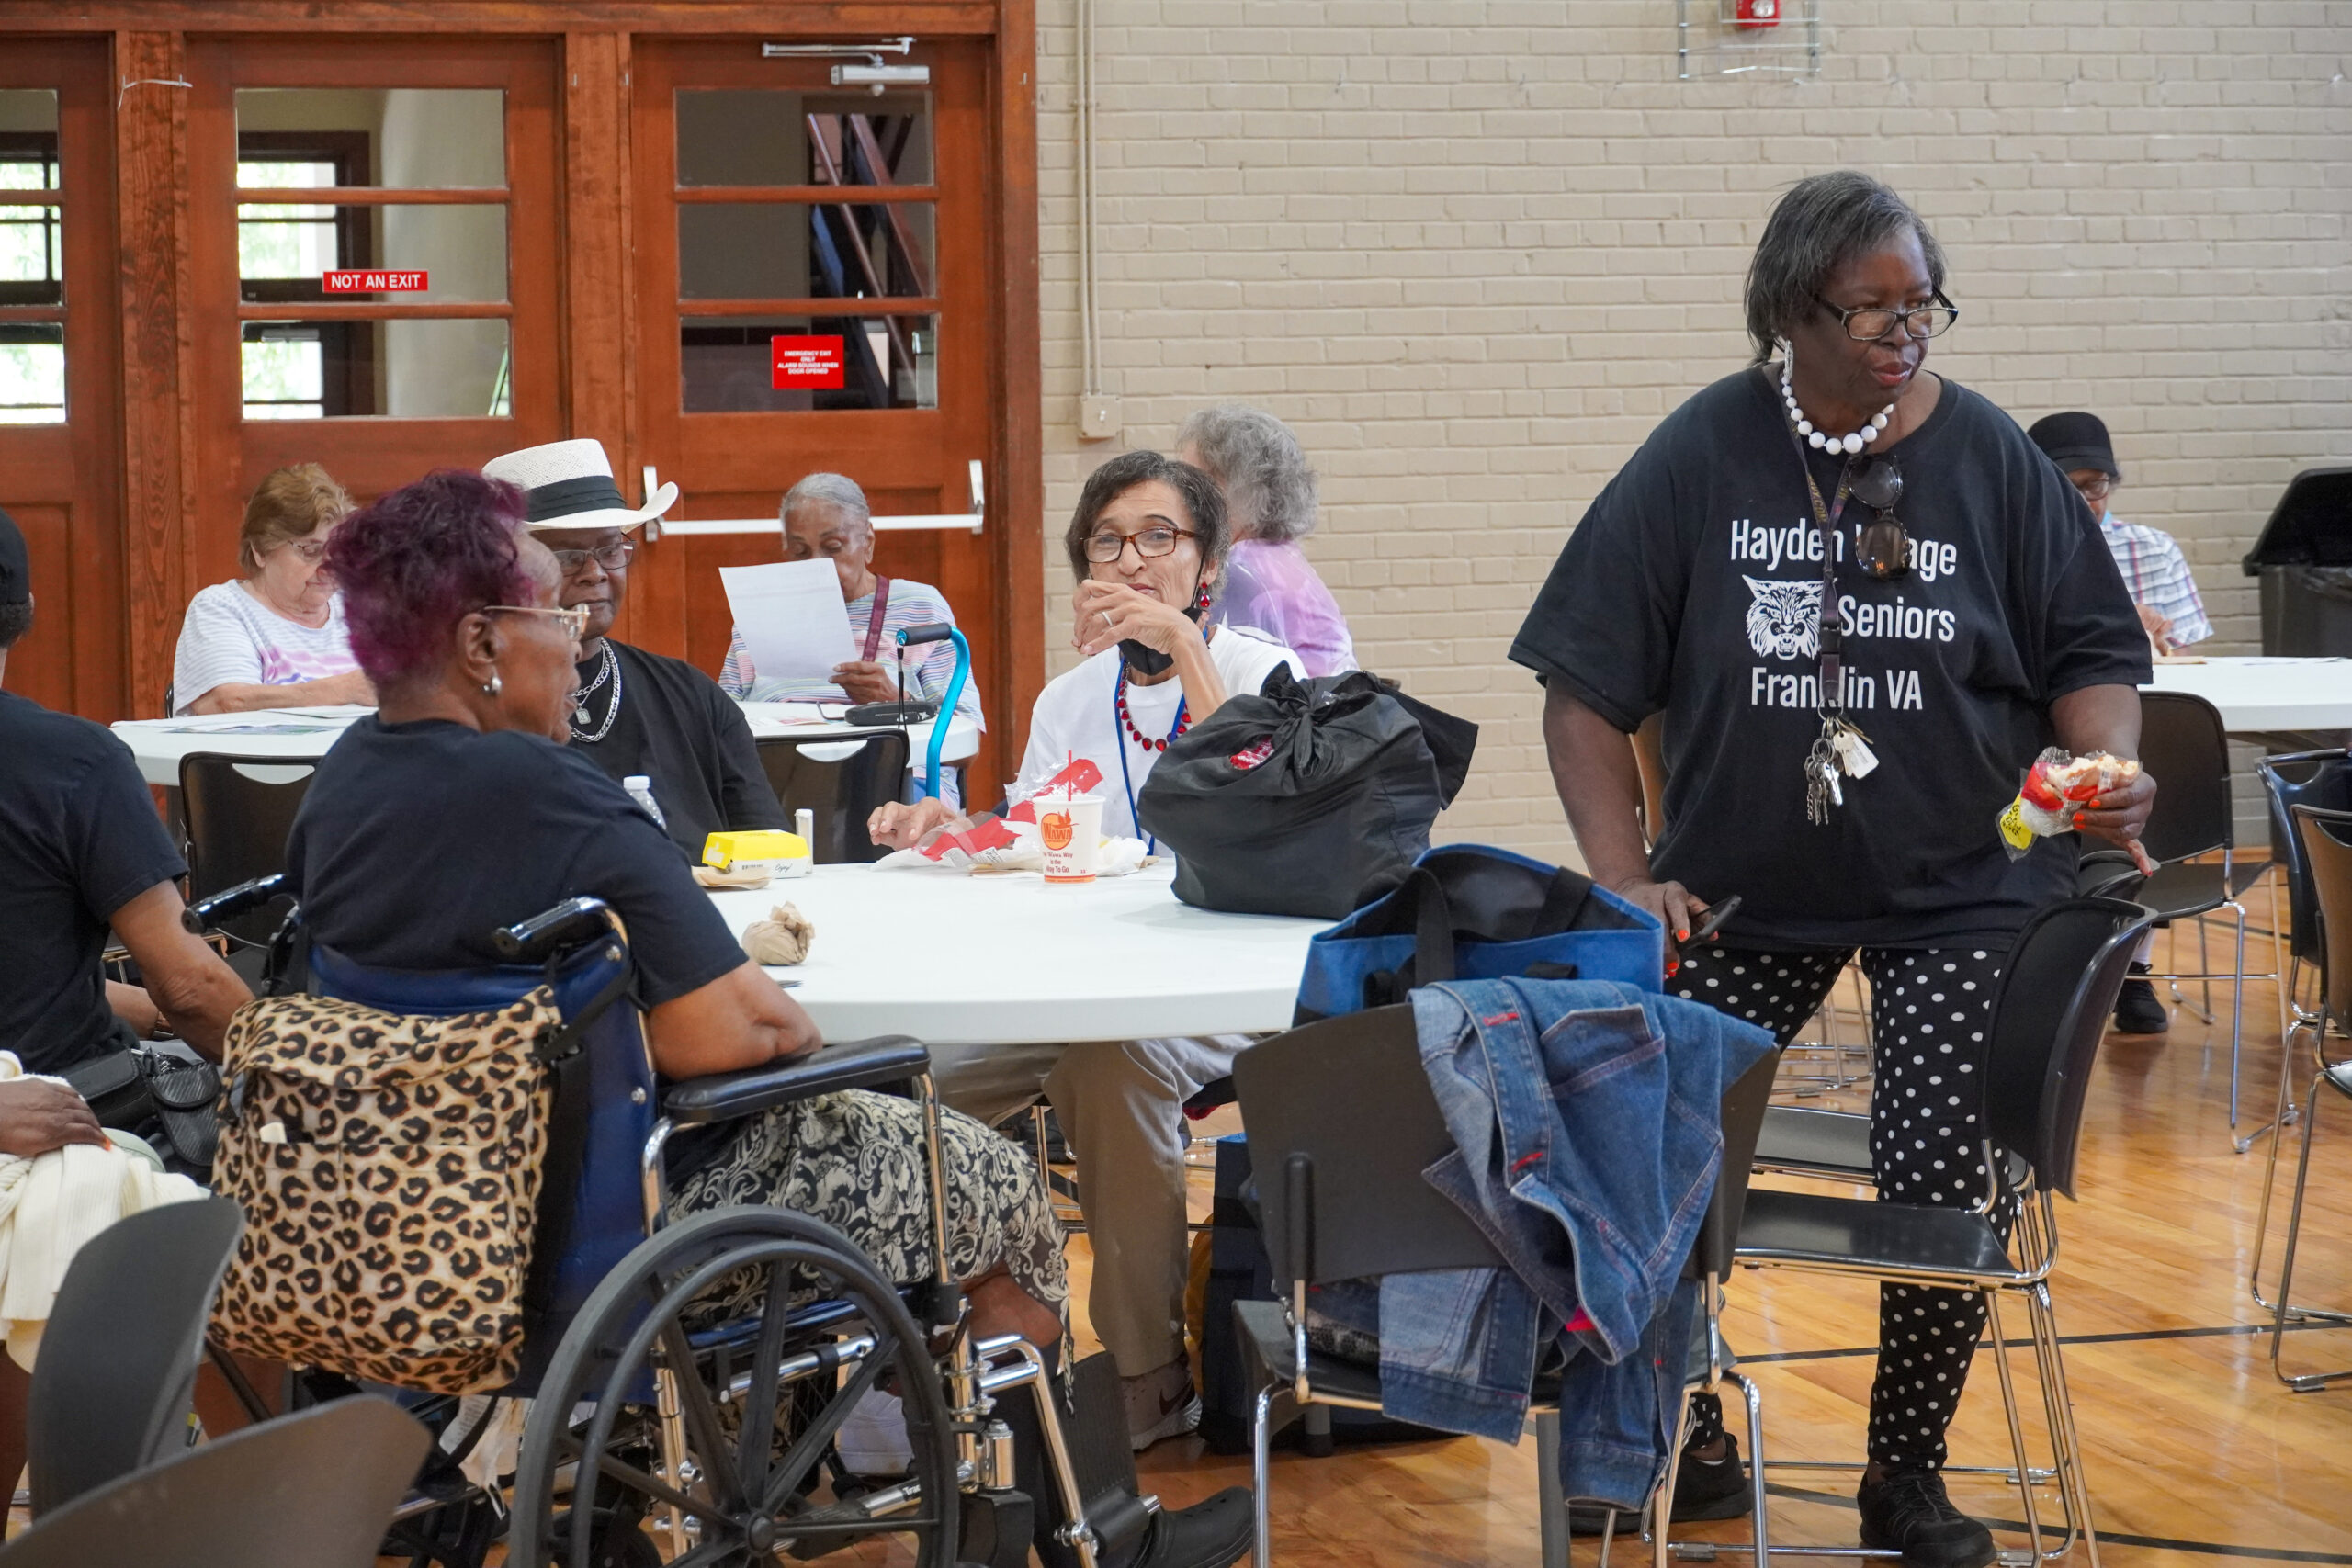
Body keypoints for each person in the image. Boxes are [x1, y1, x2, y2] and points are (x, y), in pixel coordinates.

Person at [295, 469, 1247, 1568]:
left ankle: (818, 1453)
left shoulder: (340, 793)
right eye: (554, 615)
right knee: (998, 1187)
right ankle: (1096, 1535)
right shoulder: (561, 800)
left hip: (431, 1213)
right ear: (478, 643)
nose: (574, 637)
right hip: (618, 1222)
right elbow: (732, 1040)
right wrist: (804, 1046)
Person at [1510, 172, 2155, 1568]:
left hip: (1968, 882)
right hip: (1745, 877)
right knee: (1654, 1139)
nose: (1903, 331)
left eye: (1920, 303)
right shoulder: (1704, 451)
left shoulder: (1992, 458)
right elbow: (1578, 685)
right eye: (1872, 307)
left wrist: (2104, 762)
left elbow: (2095, 655)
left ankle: (1902, 1474)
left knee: (1937, 1165)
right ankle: (1683, 1425)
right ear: (1793, 309)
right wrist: (1624, 876)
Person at [871, 450, 1304, 1449]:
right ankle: (891, 1363)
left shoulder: (1259, 674)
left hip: (1214, 989)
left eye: (1160, 538)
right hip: (1074, 987)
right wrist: (956, 828)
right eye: (1107, 541)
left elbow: (1266, 808)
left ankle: (1151, 1375)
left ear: (1208, 567)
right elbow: (1035, 839)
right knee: (898, 1084)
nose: (1131, 560)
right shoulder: (1070, 699)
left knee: (1111, 1067)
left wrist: (1182, 649)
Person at [0, 506, 254, 1076]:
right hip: (63, 1110)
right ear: (27, 614)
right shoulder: (76, 763)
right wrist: (310, 1083)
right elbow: (188, 987)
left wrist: (130, 1003)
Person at [481, 439, 786, 858]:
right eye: (568, 556)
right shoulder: (480, 705)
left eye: (608, 550)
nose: (595, 573)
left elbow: (770, 852)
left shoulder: (691, 695)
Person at [2028, 412, 2206, 1036]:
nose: (2087, 501)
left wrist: (2160, 641)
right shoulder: (2015, 545)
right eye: (2068, 485)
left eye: (2097, 485)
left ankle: (2129, 965)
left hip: (2149, 723)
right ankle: (2095, 959)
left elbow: (2194, 663)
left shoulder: (2151, 550)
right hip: (2047, 744)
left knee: (2144, 774)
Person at [718, 471, 988, 725]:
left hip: (892, 769)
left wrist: (897, 703)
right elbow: (719, 729)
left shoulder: (920, 607)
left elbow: (967, 736)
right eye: (800, 552)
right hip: (781, 769)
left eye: (833, 547)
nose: (817, 565)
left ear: (868, 542)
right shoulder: (761, 613)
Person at [172, 463, 374, 715]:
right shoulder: (223, 608)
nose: (328, 566)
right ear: (260, 551)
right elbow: (227, 703)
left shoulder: (358, 607)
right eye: (310, 551)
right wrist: (344, 689)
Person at [1176, 402, 1357, 677]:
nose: (1178, 496)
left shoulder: (1238, 571)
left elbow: (1216, 683)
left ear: (1236, 488)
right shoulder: (1281, 557)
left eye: (1191, 482)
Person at [2029, 412, 2213, 659]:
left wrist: (2160, 650)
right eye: (2066, 487)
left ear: (2110, 483)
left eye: (2094, 485)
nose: (2082, 502)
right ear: (2036, 488)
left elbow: (2182, 660)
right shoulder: (2011, 554)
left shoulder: (2156, 549)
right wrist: (2118, 624)